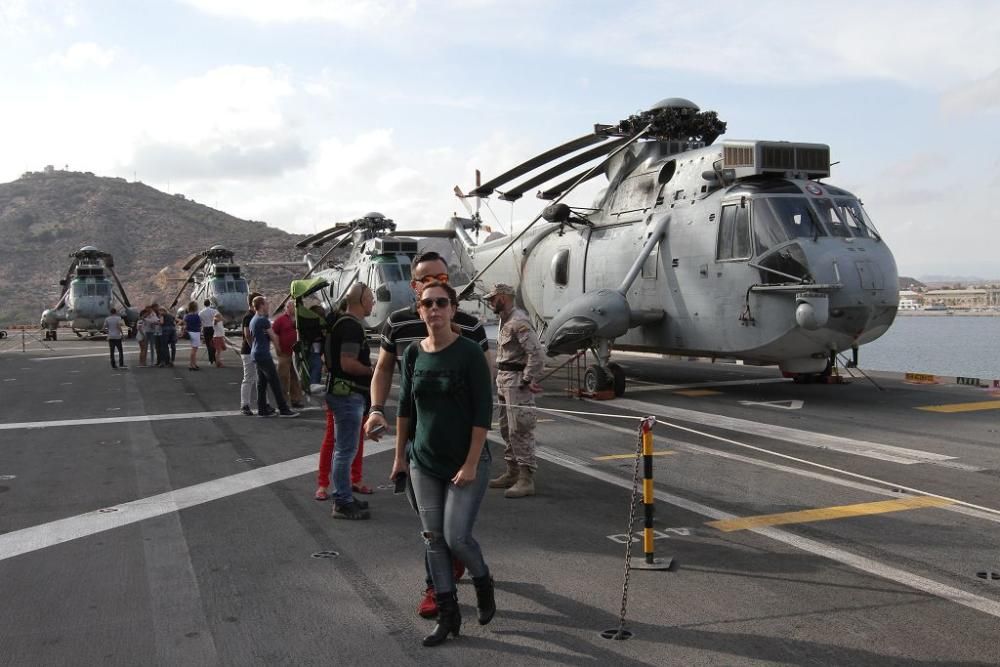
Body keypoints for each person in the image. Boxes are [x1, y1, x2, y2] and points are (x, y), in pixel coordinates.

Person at [365, 250, 491, 619]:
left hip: (458, 441)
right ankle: (444, 583)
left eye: (443, 280)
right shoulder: (398, 323)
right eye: (426, 282)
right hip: (420, 446)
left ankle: (439, 588)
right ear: (414, 287)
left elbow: (484, 381)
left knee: (449, 533)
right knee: (431, 529)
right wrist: (376, 410)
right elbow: (384, 372)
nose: (435, 288)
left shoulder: (469, 327)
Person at [390, 281, 495, 647]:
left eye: (441, 303)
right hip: (424, 461)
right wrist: (400, 457)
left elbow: (484, 412)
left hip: (466, 461)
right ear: (419, 310)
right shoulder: (413, 355)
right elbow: (406, 408)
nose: (434, 309)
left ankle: (483, 582)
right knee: (433, 539)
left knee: (457, 538)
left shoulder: (468, 352)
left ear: (453, 309)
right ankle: (449, 616)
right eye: (427, 304)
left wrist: (469, 464)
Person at [484, 283, 545, 498]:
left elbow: (536, 353)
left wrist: (528, 379)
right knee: (506, 429)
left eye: (493, 298)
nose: (490, 302)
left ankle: (526, 478)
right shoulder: (505, 319)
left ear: (503, 297)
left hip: (516, 381)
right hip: (504, 379)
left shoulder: (518, 321)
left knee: (520, 429)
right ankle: (512, 472)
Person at [325, 283, 375, 519]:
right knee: (345, 451)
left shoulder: (341, 323)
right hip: (348, 396)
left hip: (342, 394)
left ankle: (343, 494)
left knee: (342, 449)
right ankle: (342, 502)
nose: (373, 303)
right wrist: (371, 371)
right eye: (371, 298)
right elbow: (347, 363)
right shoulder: (352, 328)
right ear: (361, 300)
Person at [249, 295, 298, 418]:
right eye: (266, 303)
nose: (268, 305)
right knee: (275, 382)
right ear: (261, 306)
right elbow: (274, 336)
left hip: (255, 353)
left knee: (262, 383)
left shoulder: (253, 320)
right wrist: (279, 349)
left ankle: (262, 410)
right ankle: (283, 409)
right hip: (263, 354)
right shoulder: (263, 320)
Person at [272, 301, 304, 408]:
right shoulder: (280, 320)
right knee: (283, 377)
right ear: (287, 308)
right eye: (293, 307)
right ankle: (283, 401)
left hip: (295, 353)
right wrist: (277, 347)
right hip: (284, 352)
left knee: (295, 376)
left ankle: (296, 399)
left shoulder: (298, 320)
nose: (295, 309)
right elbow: (274, 334)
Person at [239, 292, 265, 416]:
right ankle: (245, 404)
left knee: (259, 379)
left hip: (252, 351)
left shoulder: (253, 316)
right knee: (249, 378)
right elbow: (247, 335)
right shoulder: (248, 317)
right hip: (249, 352)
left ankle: (263, 403)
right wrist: (254, 349)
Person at [183, 301, 202, 371]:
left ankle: (193, 363)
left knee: (193, 349)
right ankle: (191, 365)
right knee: (194, 350)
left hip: (190, 332)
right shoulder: (197, 316)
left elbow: (185, 325)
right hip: (196, 332)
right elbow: (200, 324)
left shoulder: (187, 316)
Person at [199, 299, 219, 366]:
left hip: (206, 329)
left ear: (204, 304)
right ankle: (215, 359)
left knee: (208, 345)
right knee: (214, 344)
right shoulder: (214, 311)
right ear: (210, 304)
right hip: (213, 328)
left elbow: (200, 322)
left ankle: (210, 360)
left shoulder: (201, 312)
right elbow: (218, 319)